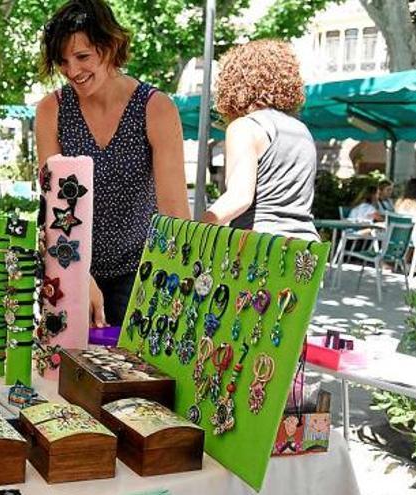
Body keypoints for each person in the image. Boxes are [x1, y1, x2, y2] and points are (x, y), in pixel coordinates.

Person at [36, 0, 190, 327]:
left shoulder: (155, 108)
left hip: (138, 274)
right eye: (63, 62)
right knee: (61, 374)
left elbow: (175, 215)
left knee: (130, 375)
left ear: (111, 46)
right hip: (68, 267)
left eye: (82, 57)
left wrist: (180, 289)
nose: (72, 71)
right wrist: (78, 276)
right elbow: (54, 207)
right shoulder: (52, 110)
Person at [201, 40, 319, 242]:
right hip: (305, 248)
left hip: (259, 246)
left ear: (233, 84)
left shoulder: (245, 127)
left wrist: (194, 230)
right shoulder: (302, 131)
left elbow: (239, 197)